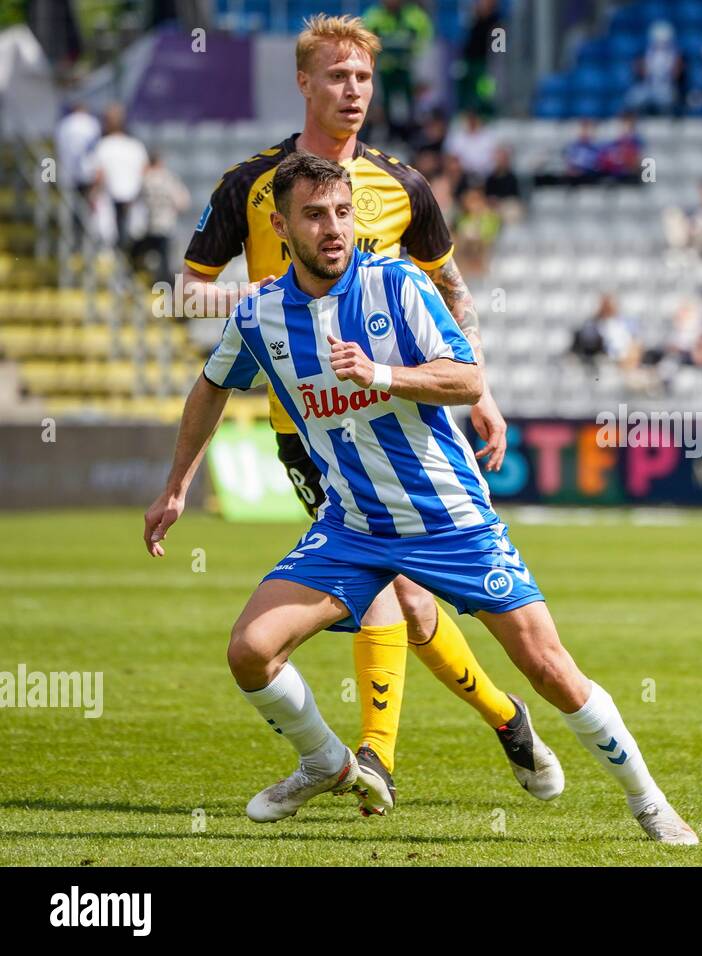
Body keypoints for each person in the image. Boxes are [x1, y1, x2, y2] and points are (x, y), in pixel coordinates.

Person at [144, 153, 698, 844]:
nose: (333, 227)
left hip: (450, 521)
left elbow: (467, 379)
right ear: (282, 227)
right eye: (315, 215)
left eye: (342, 212)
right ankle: (325, 761)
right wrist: (175, 488)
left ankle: (649, 802)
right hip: (351, 526)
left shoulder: (399, 284)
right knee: (250, 651)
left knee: (552, 670)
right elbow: (211, 386)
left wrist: (380, 372)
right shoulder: (260, 313)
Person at [178, 14, 528, 816]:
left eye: (364, 78)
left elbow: (453, 294)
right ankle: (470, 729)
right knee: (399, 595)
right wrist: (265, 306)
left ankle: (413, 748)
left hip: (405, 419)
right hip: (309, 430)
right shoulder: (251, 183)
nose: (353, 91)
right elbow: (189, 287)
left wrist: (487, 393)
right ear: (305, 82)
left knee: (406, 595)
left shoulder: (403, 184)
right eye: (337, 76)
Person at [362, 0, 432, 139]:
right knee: (382, 102)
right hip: (384, 70)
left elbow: (426, 38)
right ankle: (385, 132)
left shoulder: (415, 16)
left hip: (408, 69)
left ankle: (411, 134)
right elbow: (364, 40)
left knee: (412, 103)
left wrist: (413, 50)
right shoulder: (374, 16)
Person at [91, 103, 148, 251]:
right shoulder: (136, 146)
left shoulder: (103, 146)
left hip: (112, 201)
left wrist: (92, 196)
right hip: (131, 200)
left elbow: (99, 176)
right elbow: (145, 173)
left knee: (110, 241)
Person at [134, 149, 190, 284]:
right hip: (166, 224)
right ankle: (165, 285)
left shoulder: (144, 179)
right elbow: (182, 202)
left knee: (146, 256)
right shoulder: (168, 178)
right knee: (165, 260)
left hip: (150, 225)